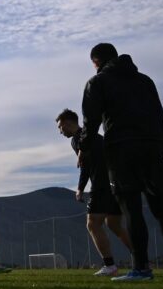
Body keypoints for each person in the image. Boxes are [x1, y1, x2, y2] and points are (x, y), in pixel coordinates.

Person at [81, 43, 163, 282]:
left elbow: (91, 121)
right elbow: (160, 116)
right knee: (161, 208)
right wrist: (161, 148)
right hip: (153, 146)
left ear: (96, 62)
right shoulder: (145, 81)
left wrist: (84, 148)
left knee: (132, 209)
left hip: (121, 149)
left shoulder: (97, 82)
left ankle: (141, 268)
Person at [56, 108, 132, 276]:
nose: (60, 132)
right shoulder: (96, 137)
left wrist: (80, 188)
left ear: (69, 123)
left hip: (101, 185)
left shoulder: (78, 139)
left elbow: (85, 164)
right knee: (113, 224)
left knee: (92, 223)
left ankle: (109, 265)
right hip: (116, 182)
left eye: (61, 127)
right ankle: (141, 259)